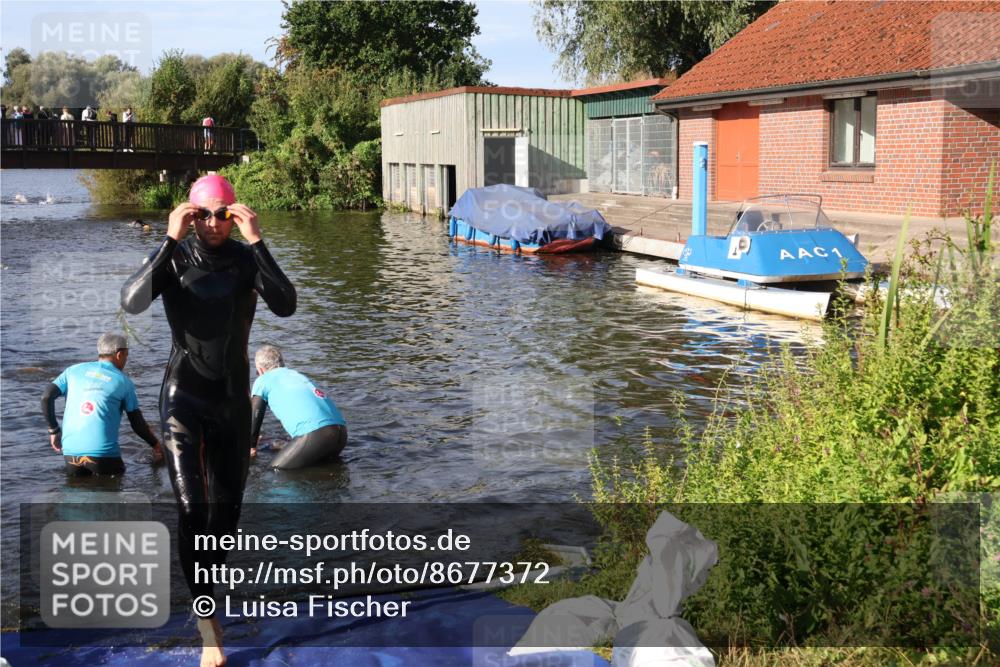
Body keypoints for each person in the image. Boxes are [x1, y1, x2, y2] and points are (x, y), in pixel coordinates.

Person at [120, 174, 296, 667]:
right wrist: (169, 237)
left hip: (231, 399)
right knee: (193, 510)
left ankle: (208, 597)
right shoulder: (175, 257)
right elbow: (131, 300)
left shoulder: (245, 260)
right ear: (191, 215)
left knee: (226, 517)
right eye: (205, 214)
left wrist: (258, 240)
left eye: (224, 213)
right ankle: (206, 624)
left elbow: (286, 304)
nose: (215, 224)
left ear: (235, 214)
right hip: (184, 397)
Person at [41, 333, 164, 476]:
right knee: (117, 490)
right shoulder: (123, 382)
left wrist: (54, 430)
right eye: (126, 355)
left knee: (78, 494)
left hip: (70, 452)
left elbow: (46, 397)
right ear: (119, 354)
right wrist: (156, 446)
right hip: (104, 454)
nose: (126, 360)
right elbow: (137, 425)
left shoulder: (72, 371)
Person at [250, 345, 347, 469]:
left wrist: (251, 446)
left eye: (257, 372)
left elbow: (254, 418)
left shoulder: (263, 380)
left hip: (316, 435)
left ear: (261, 370)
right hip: (341, 433)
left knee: (275, 470)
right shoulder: (296, 375)